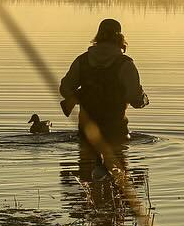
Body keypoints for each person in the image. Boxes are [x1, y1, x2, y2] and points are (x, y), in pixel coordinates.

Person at [59, 18, 149, 147]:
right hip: (116, 134)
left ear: (98, 36)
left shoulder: (82, 61)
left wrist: (82, 97)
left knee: (86, 165)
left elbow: (65, 89)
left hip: (86, 134)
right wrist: (143, 99)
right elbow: (134, 99)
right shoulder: (125, 65)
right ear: (120, 37)